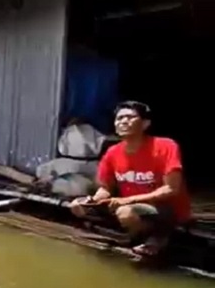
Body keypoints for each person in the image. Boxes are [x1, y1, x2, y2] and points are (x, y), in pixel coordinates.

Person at [69, 101, 191, 256]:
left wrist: (128, 200)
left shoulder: (166, 146)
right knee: (77, 206)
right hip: (132, 206)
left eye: (130, 117)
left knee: (125, 212)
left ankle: (157, 237)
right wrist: (93, 200)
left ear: (145, 123)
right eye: (119, 118)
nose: (123, 122)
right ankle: (131, 232)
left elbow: (171, 189)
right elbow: (105, 188)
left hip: (166, 208)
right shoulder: (112, 152)